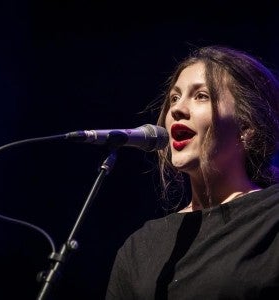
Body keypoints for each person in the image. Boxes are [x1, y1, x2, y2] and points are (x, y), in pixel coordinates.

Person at [105, 45, 279, 299]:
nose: (176, 109)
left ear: (247, 126)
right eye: (174, 98)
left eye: (201, 96)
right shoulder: (140, 246)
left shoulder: (271, 218)